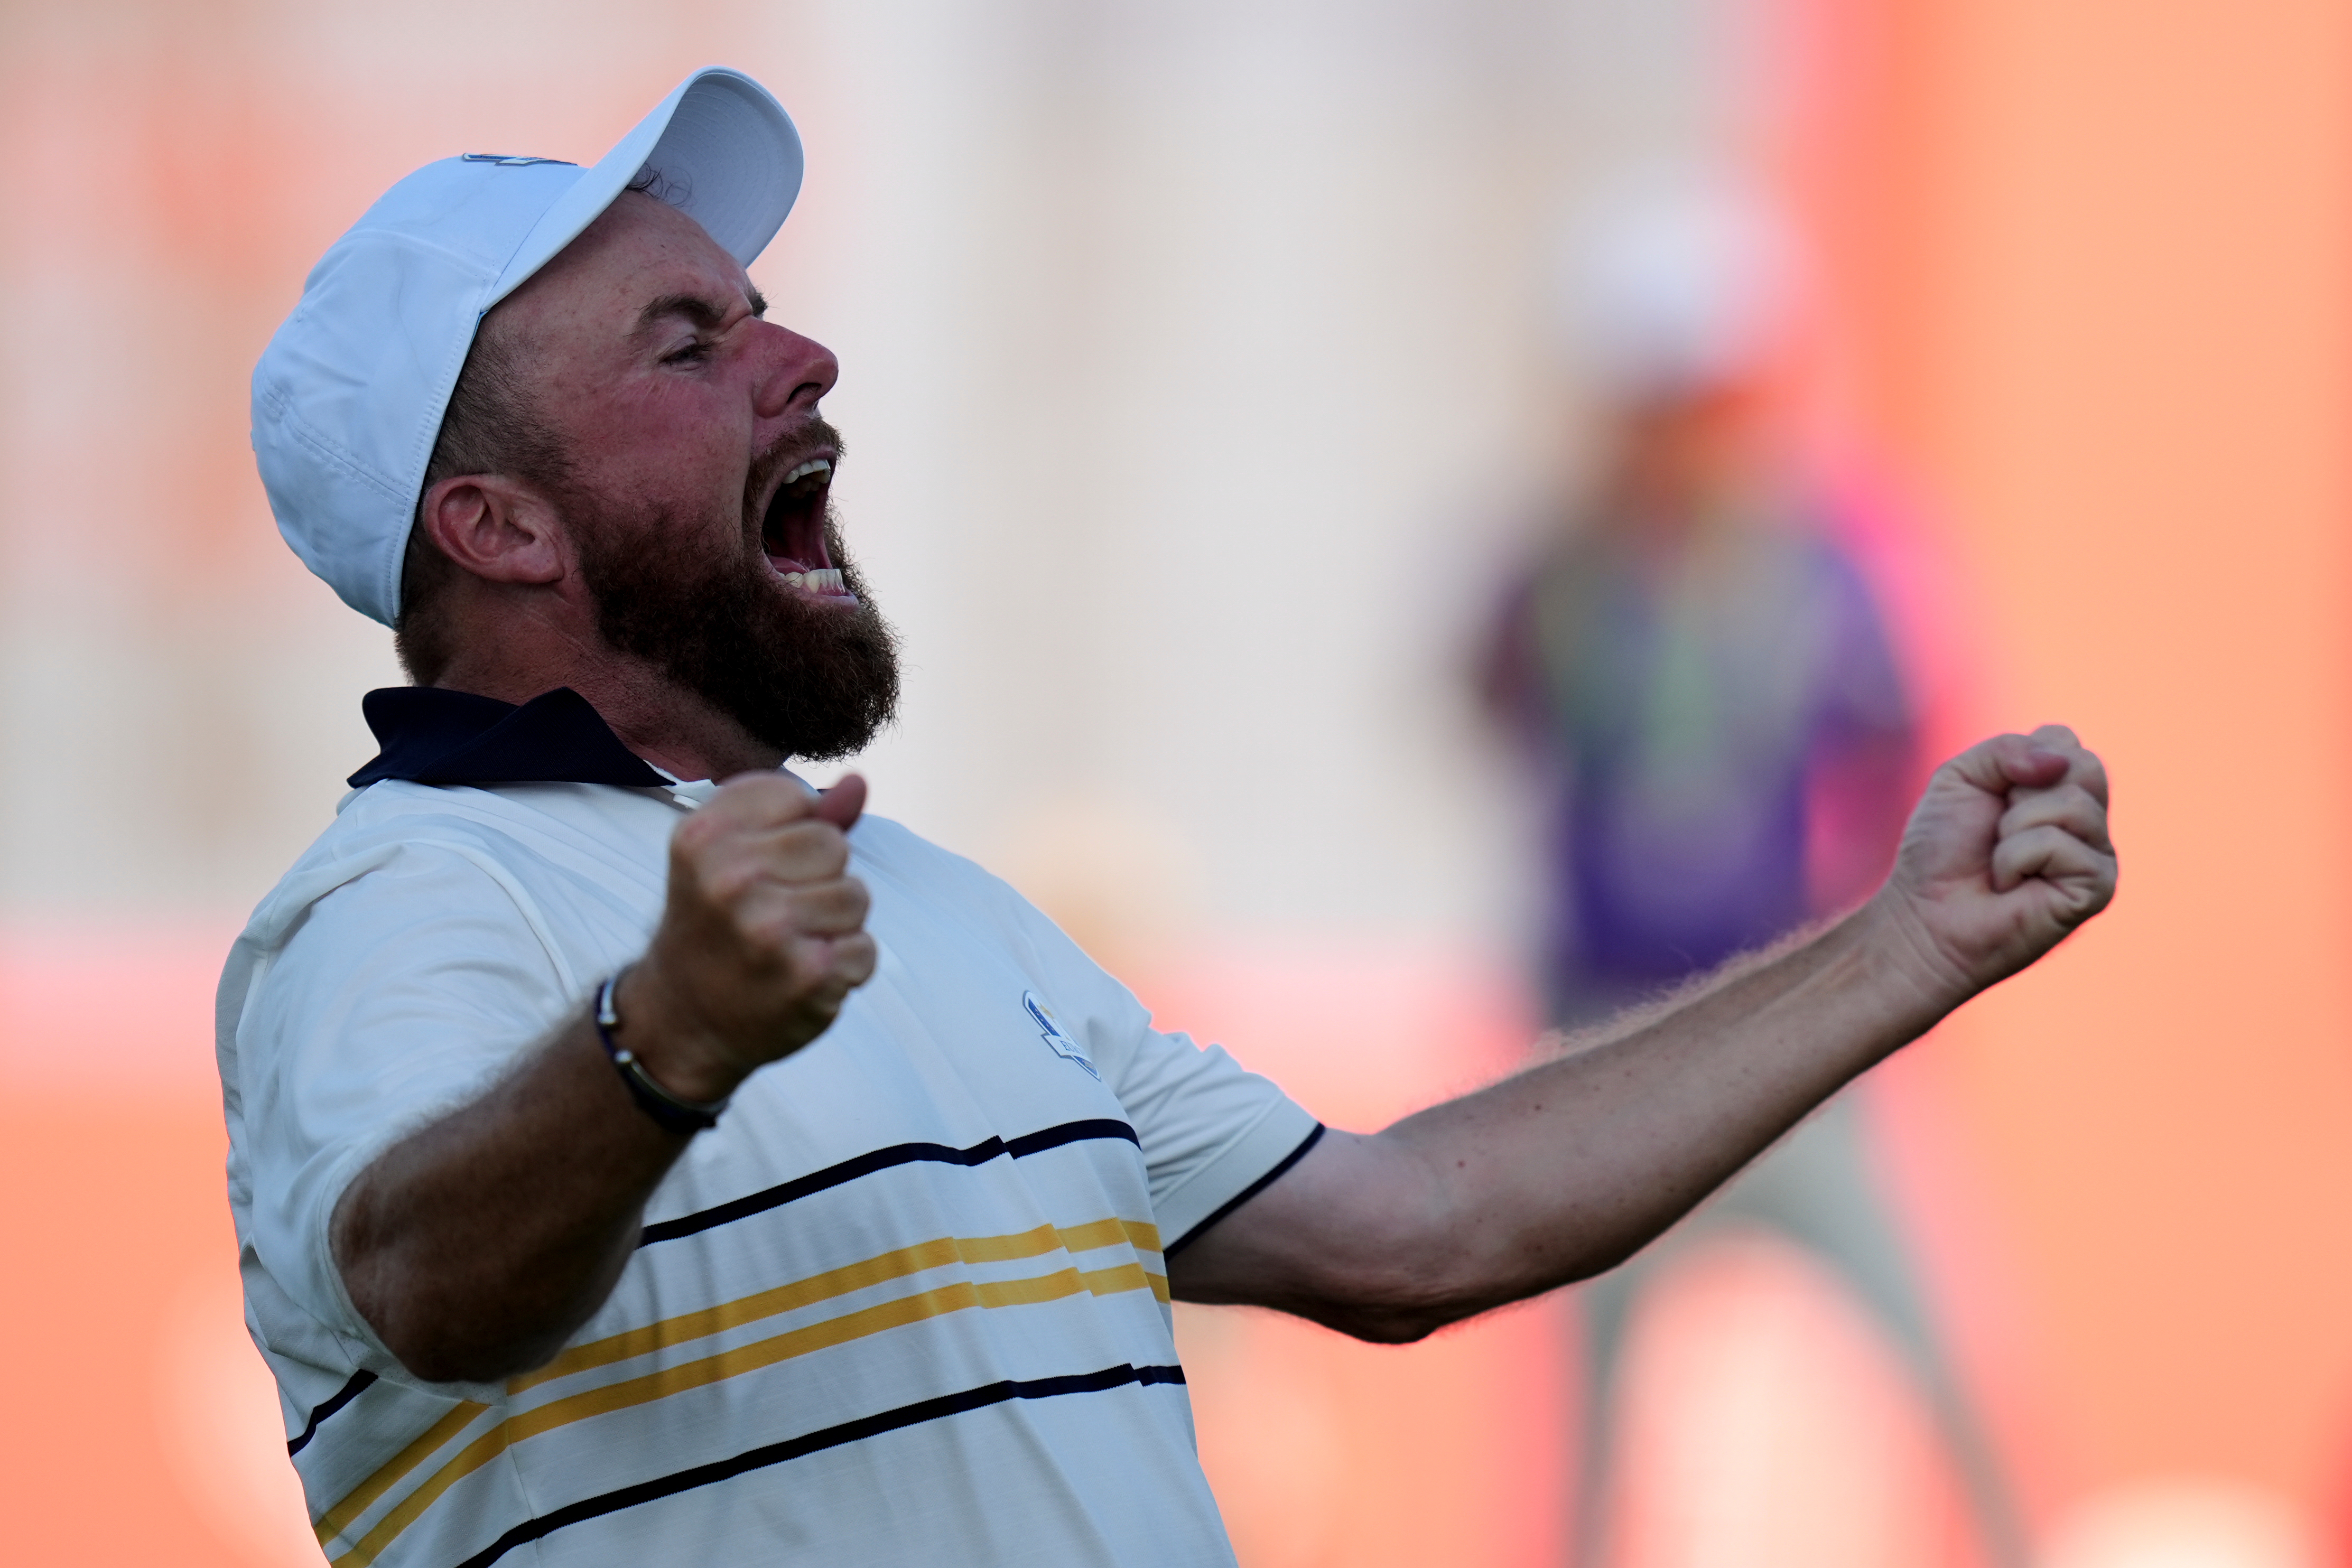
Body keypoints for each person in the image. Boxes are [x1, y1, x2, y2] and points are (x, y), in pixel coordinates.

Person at [222, 71, 2116, 1568]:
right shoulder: (400, 895)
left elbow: (1417, 1226)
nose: (800, 361)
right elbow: (415, 1284)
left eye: (765, 317)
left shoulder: (935, 907)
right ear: (500, 526)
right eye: (686, 343)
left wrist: (1904, 945)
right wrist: (669, 1041)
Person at [1482, 181, 2031, 1565]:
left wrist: (1883, 971)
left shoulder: (1837, 561)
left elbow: (1913, 738)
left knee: (1950, 1367)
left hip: (1803, 1037)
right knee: (1599, 1420)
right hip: (1610, 1040)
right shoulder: (1564, 570)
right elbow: (1494, 703)